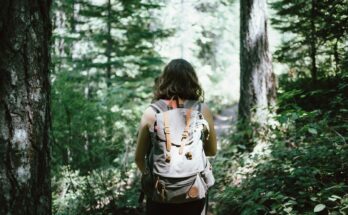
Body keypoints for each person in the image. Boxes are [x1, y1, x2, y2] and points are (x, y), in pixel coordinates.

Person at [135, 58, 217, 215]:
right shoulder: (202, 110)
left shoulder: (151, 112)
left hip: (160, 194)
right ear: (192, 80)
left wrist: (153, 177)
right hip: (193, 191)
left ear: (164, 80)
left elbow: (139, 158)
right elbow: (212, 151)